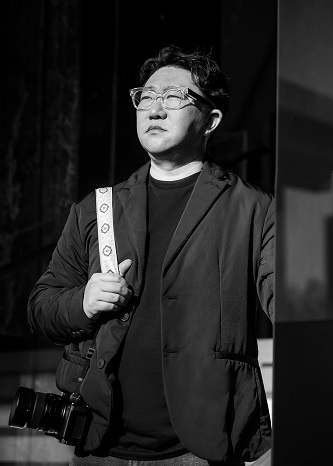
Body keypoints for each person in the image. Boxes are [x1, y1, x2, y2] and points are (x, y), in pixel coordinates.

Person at [27, 46, 274, 465]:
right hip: (100, 444)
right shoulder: (97, 208)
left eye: (174, 97)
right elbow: (41, 308)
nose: (155, 109)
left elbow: (293, 302)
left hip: (198, 447)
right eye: (146, 97)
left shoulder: (252, 208)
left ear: (211, 120)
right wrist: (83, 302)